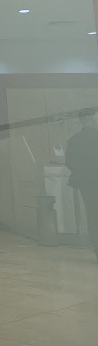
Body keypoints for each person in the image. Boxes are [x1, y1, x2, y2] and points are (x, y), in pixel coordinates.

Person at [66, 108, 98, 263]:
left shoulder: (74, 140)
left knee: (92, 214)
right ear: (93, 119)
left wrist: (83, 171)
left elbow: (69, 162)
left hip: (86, 183)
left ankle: (96, 248)